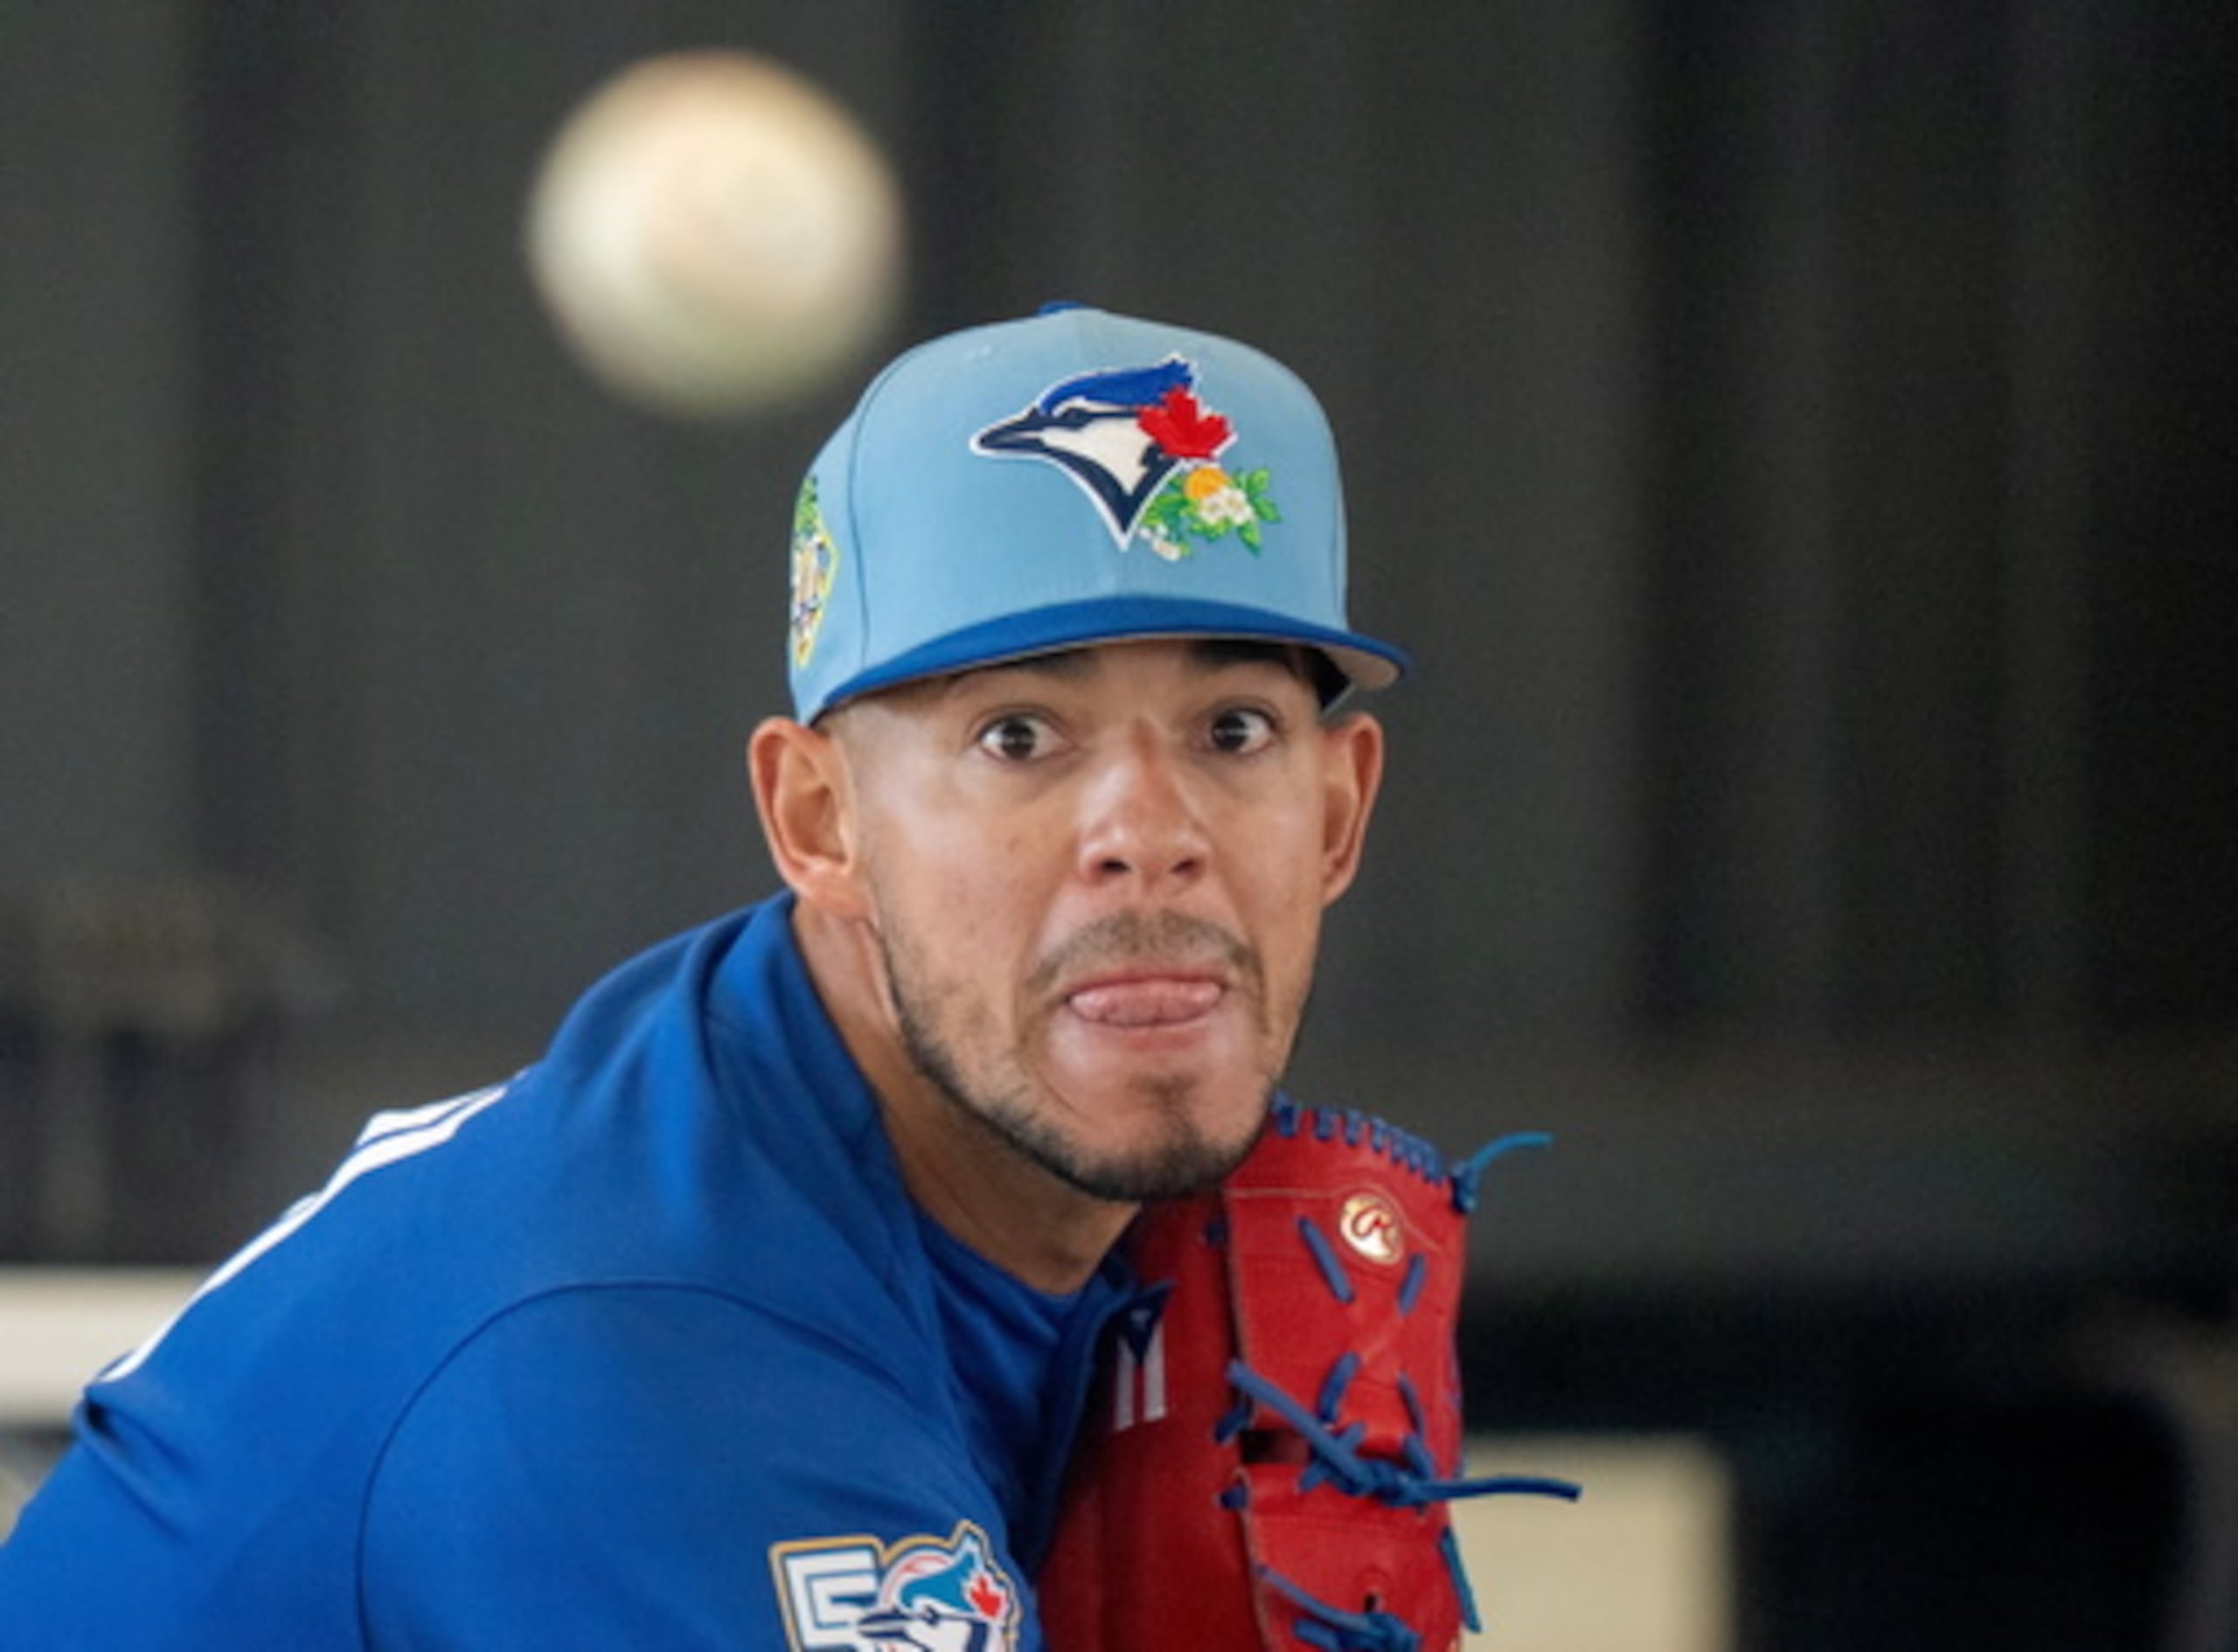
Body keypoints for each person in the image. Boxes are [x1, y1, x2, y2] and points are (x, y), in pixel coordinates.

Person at [0, 303, 1407, 1649]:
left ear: (1340, 817)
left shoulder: (953, 1177)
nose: (1150, 837)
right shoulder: (653, 1358)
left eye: (1232, 728)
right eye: (1018, 737)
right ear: (818, 823)